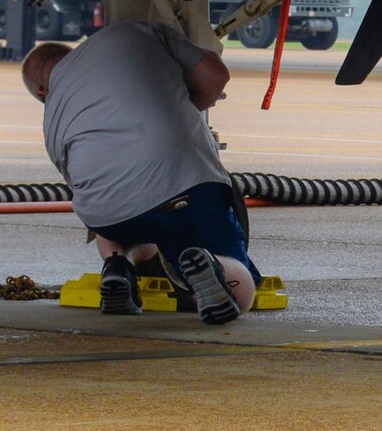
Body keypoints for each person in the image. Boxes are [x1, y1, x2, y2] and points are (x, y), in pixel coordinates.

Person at [22, 20, 259, 323]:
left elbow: (80, 183)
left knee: (120, 214)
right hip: (185, 187)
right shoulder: (133, 30)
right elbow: (216, 77)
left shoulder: (51, 117)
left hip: (109, 212)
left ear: (43, 92)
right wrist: (183, 108)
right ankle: (218, 268)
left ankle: (119, 265)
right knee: (243, 291)